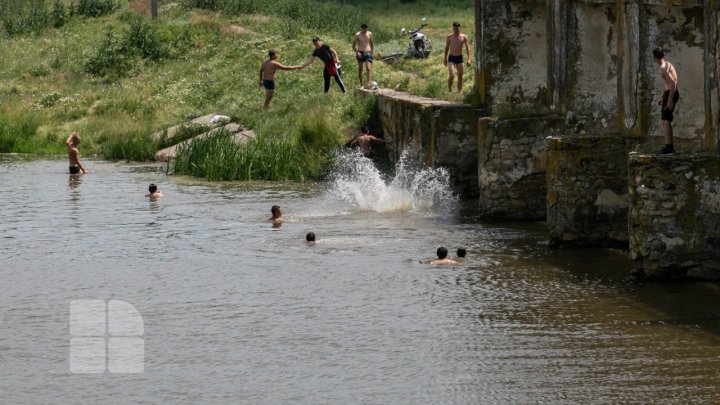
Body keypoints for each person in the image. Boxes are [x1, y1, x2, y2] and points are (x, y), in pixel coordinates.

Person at [653, 47, 679, 154]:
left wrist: (669, 100)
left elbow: (673, 83)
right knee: (665, 119)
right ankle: (669, 147)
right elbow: (668, 83)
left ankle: (669, 147)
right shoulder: (666, 64)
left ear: (655, 57)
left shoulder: (664, 67)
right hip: (669, 93)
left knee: (666, 120)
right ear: (663, 55)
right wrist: (663, 96)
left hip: (671, 94)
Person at [444, 21, 471, 93]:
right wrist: (445, 58)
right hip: (451, 57)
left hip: (459, 58)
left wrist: (469, 59)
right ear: (453, 28)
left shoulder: (464, 37)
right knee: (452, 75)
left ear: (460, 28)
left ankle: (459, 92)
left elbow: (467, 48)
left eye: (457, 29)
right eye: (454, 29)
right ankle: (449, 90)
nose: (456, 30)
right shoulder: (449, 37)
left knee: (460, 76)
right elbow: (447, 47)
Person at [352, 23, 374, 89]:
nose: (365, 30)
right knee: (360, 69)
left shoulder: (369, 33)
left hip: (368, 52)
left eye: (367, 29)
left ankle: (368, 83)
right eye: (364, 29)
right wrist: (357, 52)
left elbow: (371, 43)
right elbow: (353, 46)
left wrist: (372, 53)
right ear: (362, 28)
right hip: (360, 53)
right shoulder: (357, 35)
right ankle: (361, 84)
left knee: (368, 68)